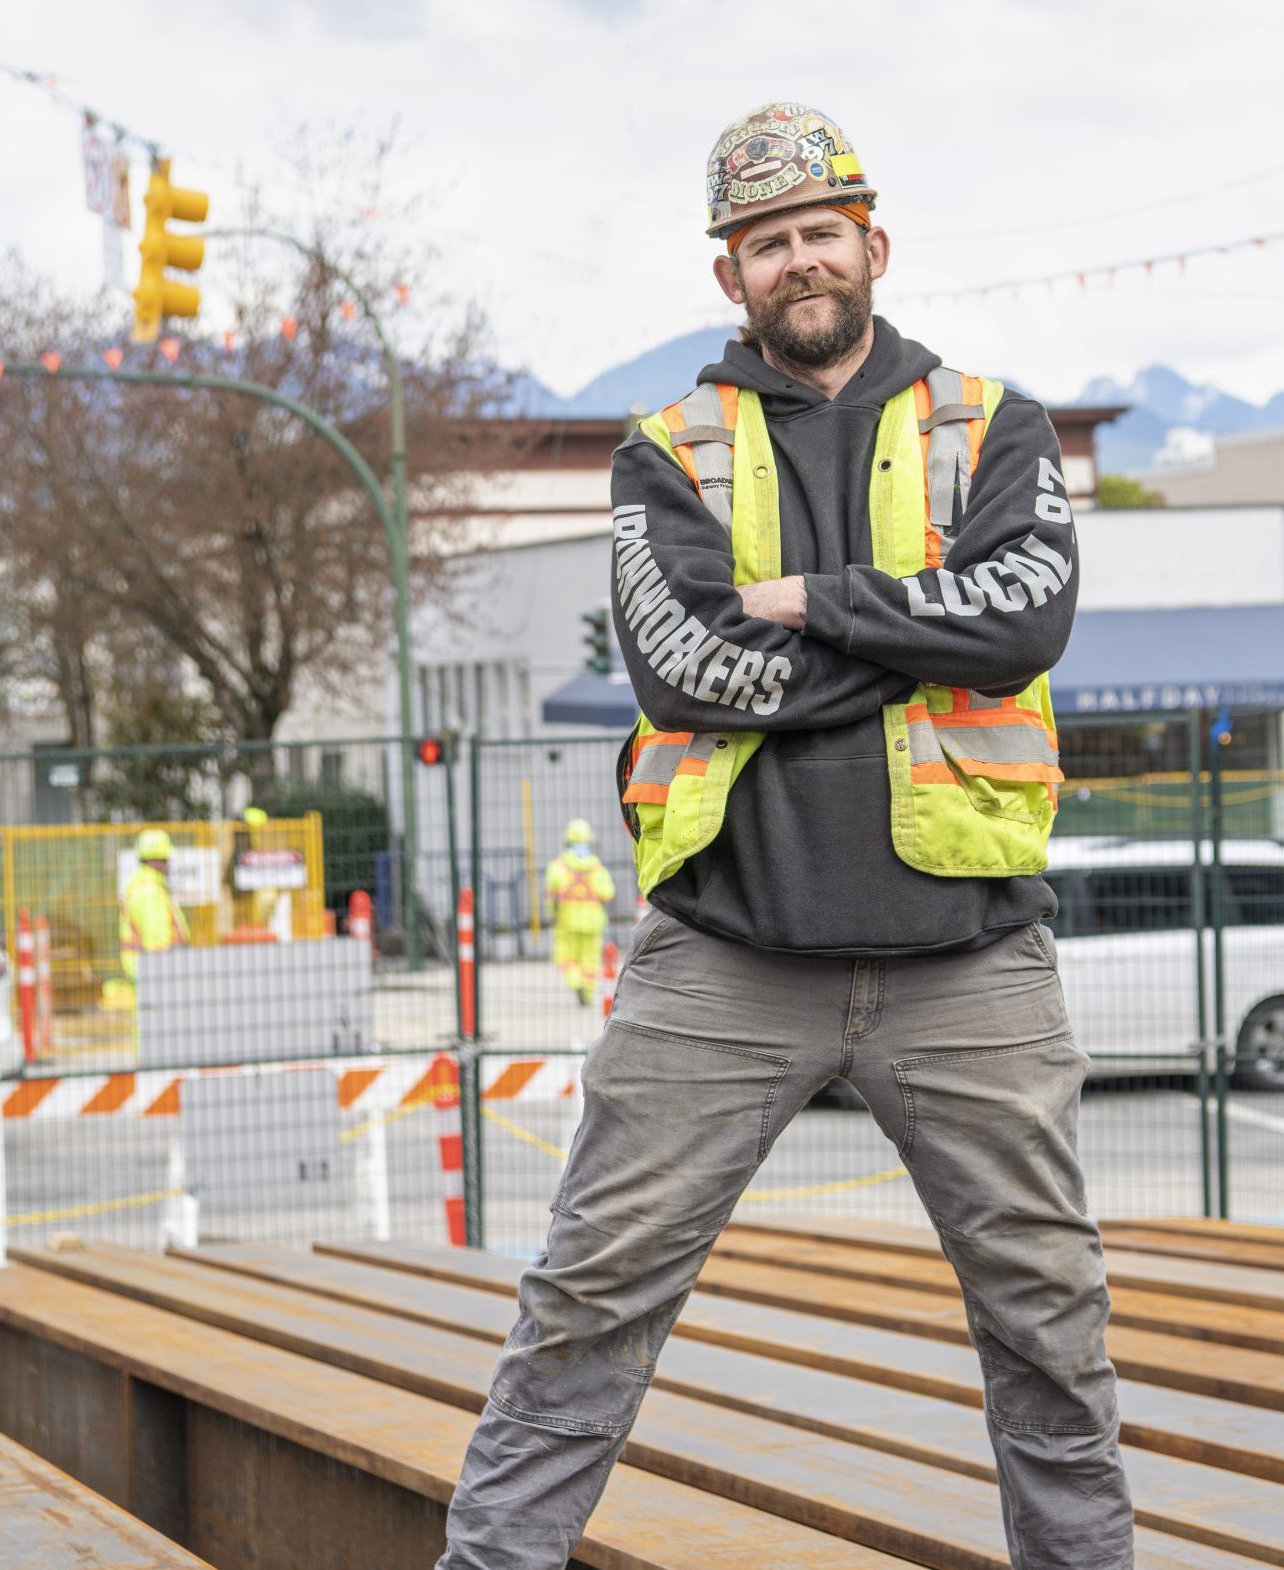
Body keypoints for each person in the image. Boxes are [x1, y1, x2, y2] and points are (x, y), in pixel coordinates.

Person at [436, 102, 1132, 1570]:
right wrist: (921, 624)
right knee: (587, 1296)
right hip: (723, 959)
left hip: (969, 958)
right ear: (729, 276)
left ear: (872, 243)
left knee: (1048, 1315)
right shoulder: (663, 449)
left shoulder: (990, 423)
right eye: (767, 243)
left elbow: (1032, 624)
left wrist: (807, 601)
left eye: (821, 232)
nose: (798, 261)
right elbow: (687, 671)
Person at [543, 818, 615, 1006]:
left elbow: (551, 897)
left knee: (565, 957)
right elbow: (608, 893)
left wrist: (552, 915)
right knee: (590, 962)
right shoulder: (597, 867)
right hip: (593, 921)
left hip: (567, 921)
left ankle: (576, 984)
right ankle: (588, 994)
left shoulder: (557, 867)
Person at [119, 828, 190, 989]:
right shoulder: (149, 892)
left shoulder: (145, 886)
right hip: (156, 976)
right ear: (154, 860)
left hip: (147, 974)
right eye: (165, 859)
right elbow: (157, 942)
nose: (168, 864)